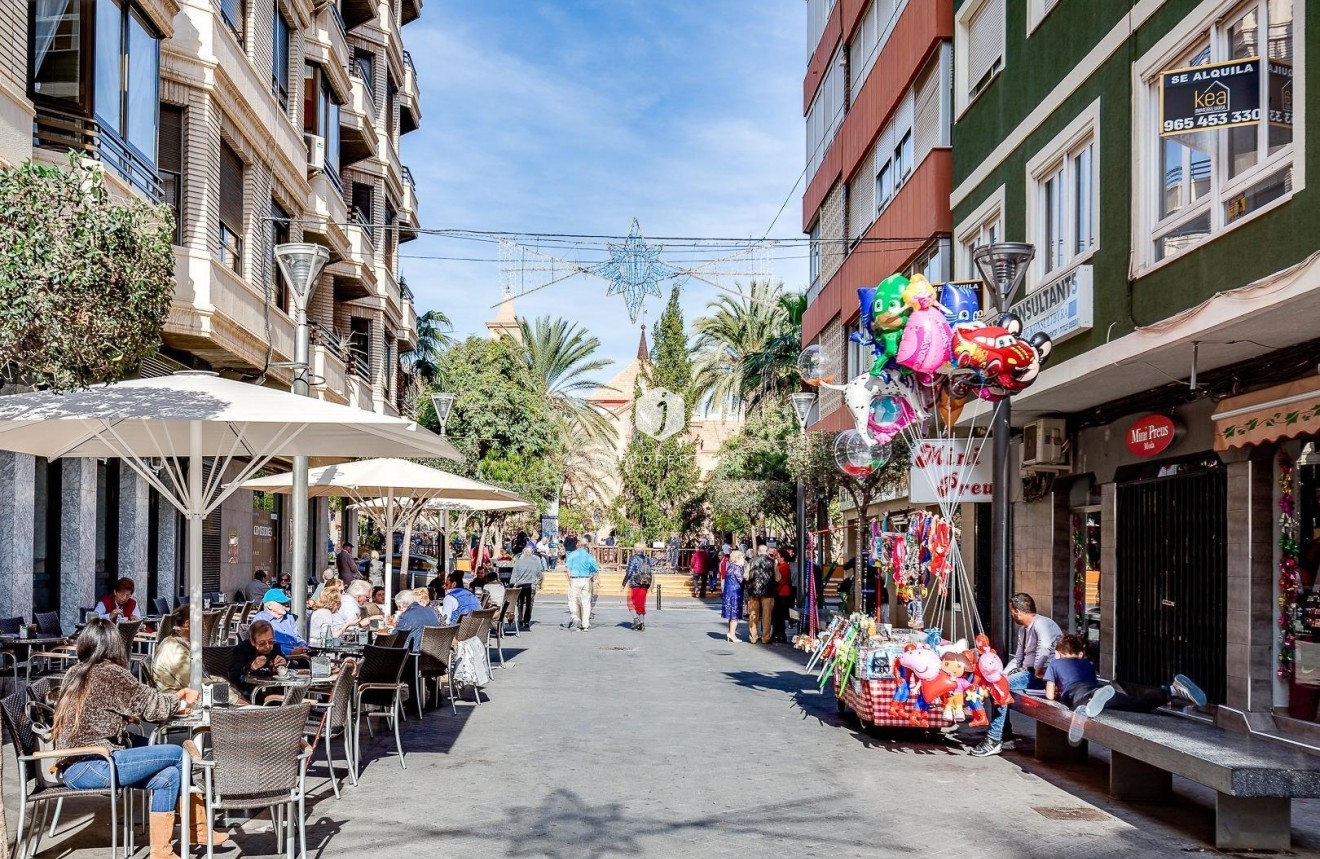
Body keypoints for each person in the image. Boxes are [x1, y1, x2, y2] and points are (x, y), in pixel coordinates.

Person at [54, 618, 222, 857]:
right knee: (178, 754)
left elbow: (93, 712)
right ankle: (198, 829)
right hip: (95, 762)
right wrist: (180, 696)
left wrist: (122, 717)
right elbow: (152, 707)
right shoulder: (110, 673)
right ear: (115, 645)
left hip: (73, 764)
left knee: (169, 776)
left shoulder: (74, 672)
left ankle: (162, 851)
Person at [1045, 633, 1207, 744]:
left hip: (1079, 692)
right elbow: (1090, 680)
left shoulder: (1055, 663)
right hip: (1098, 689)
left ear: (1059, 653)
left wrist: (1060, 691)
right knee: (1136, 704)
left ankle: (1084, 709)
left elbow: (1050, 695)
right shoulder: (1087, 663)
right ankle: (1171, 691)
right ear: (1079, 653)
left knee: (1080, 702)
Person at [970, 592, 1063, 757]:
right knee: (997, 685)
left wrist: (1036, 669)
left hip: (1043, 677)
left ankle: (994, 739)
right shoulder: (1023, 631)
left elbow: (1044, 648)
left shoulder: (1042, 623)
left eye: (1012, 611)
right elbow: (1019, 658)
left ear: (1019, 611)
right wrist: (1002, 674)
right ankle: (1004, 736)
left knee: (999, 688)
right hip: (1029, 672)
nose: (1011, 614)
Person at [229, 619, 289, 703]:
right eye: (262, 643)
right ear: (253, 641)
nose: (267, 646)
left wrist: (284, 663)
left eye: (270, 641)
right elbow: (234, 677)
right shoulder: (242, 651)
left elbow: (289, 667)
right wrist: (251, 667)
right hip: (252, 692)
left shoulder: (275, 648)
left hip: (275, 689)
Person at [251, 588, 308, 655]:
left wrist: (304, 646)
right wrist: (290, 652)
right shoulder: (261, 619)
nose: (285, 605)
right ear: (270, 606)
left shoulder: (289, 617)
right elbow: (263, 646)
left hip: (299, 653)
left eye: (286, 603)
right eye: (282, 603)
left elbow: (297, 637)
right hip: (279, 657)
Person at [562, 541, 598, 632]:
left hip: (575, 579)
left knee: (573, 600)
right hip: (586, 579)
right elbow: (594, 570)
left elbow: (567, 568)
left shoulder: (572, 555)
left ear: (577, 546)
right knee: (586, 603)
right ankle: (585, 624)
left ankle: (575, 618)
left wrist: (570, 579)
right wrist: (592, 578)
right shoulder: (589, 556)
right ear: (585, 547)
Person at [745, 546, 777, 645]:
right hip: (768, 591)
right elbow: (778, 578)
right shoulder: (773, 562)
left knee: (753, 614)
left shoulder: (751, 561)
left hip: (754, 591)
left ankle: (753, 637)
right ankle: (765, 637)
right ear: (767, 552)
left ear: (758, 552)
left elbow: (746, 576)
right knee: (767, 615)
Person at [510, 544, 543, 630]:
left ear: (524, 552)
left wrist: (512, 584)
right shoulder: (536, 562)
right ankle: (527, 621)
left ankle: (520, 618)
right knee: (529, 604)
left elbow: (514, 575)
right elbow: (540, 575)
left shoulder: (518, 562)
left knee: (520, 602)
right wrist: (539, 583)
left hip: (520, 585)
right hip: (531, 585)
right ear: (532, 553)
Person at [622, 543, 653, 631]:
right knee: (641, 603)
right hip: (645, 584)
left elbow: (629, 572)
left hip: (635, 583)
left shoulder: (634, 558)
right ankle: (642, 622)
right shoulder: (647, 559)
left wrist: (623, 583)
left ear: (636, 549)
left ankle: (636, 620)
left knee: (631, 603)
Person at [722, 550, 746, 642]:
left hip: (729, 593)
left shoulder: (730, 567)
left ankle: (731, 633)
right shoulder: (737, 568)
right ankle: (732, 634)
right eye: (742, 558)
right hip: (735, 593)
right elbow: (742, 580)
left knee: (731, 615)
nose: (743, 560)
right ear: (738, 558)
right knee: (734, 615)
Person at [771, 548, 792, 643]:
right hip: (780, 592)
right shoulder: (781, 566)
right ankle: (778, 634)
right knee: (778, 615)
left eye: (778, 557)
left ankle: (779, 634)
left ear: (782, 557)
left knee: (778, 615)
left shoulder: (783, 567)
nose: (777, 558)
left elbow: (780, 581)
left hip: (782, 593)